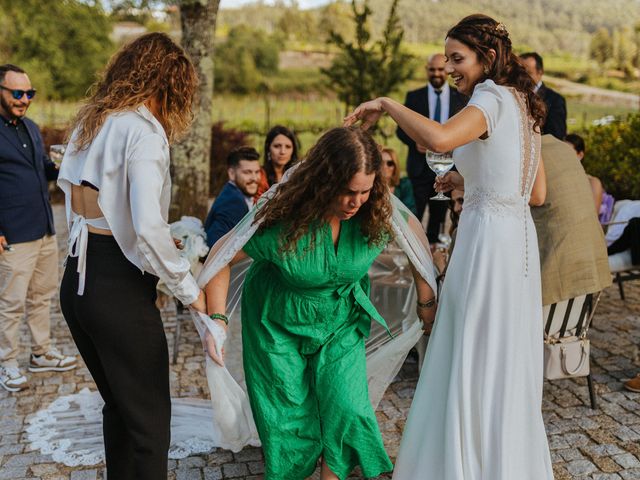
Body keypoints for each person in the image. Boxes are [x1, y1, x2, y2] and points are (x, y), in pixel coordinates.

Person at [345, 14, 554, 479]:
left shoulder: (491, 96)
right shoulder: (525, 103)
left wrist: (387, 103)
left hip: (486, 246)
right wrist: (469, 179)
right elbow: (534, 193)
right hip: (517, 245)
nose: (451, 67)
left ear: (489, 57)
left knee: (470, 350)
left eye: (458, 59)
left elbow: (437, 137)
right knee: (501, 356)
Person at [201, 127, 437, 480]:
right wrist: (217, 321)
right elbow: (222, 258)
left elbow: (414, 234)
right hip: (275, 323)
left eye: (365, 190)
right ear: (324, 182)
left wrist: (427, 300)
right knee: (288, 420)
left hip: (340, 319)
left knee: (348, 406)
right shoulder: (282, 219)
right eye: (346, 192)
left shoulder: (374, 210)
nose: (356, 202)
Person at [57, 33, 206, 480]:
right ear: (170, 84)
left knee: (121, 410)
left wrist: (152, 245)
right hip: (116, 291)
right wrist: (189, 291)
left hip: (78, 282)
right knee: (150, 427)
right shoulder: (143, 131)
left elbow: (86, 207)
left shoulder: (93, 120)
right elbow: (145, 225)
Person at [0, 63, 77, 393]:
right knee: (11, 302)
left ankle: (41, 352)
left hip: (45, 228)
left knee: (42, 297)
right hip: (13, 232)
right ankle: (7, 362)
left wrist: (63, 161)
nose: (24, 99)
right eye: (17, 93)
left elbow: (42, 170)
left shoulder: (30, 126)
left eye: (29, 93)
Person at [532, 134, 611, 307]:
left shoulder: (592, 182)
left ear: (580, 154)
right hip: (587, 272)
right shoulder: (572, 171)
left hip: (564, 268)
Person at [396, 53, 467, 243]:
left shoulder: (460, 97)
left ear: (446, 71)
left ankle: (434, 258)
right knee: (413, 217)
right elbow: (401, 130)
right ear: (427, 70)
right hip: (419, 169)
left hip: (446, 168)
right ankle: (413, 254)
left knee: (438, 219)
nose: (436, 73)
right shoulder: (414, 97)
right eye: (432, 69)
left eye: (440, 69)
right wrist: (415, 141)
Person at [204, 146, 261, 247]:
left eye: (257, 172)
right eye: (247, 172)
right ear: (231, 173)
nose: (254, 178)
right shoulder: (233, 202)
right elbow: (215, 244)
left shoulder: (233, 193)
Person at [565, 133, 614, 223]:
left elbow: (592, 218)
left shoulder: (592, 182)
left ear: (580, 155)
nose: (563, 157)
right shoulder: (559, 180)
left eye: (568, 153)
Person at [521, 51, 567, 140]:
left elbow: (555, 137)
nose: (523, 76)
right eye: (520, 72)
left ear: (540, 72)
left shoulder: (555, 101)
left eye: (528, 72)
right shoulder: (513, 93)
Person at [255, 125, 298, 198]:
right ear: (268, 148)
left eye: (288, 147)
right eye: (277, 146)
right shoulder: (259, 175)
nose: (282, 152)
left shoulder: (297, 176)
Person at [380, 146, 417, 216]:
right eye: (381, 162)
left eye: (390, 163)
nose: (384, 166)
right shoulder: (369, 186)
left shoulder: (404, 185)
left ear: (395, 166)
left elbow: (410, 211)